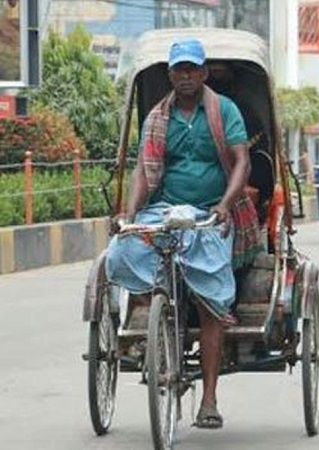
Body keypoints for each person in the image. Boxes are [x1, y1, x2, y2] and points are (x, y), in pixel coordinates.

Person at [105, 38, 262, 429]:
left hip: (212, 213)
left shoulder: (223, 111)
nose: (186, 75)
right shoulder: (158, 117)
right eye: (179, 69)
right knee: (123, 247)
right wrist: (130, 212)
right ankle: (156, 318)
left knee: (210, 305)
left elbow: (242, 161)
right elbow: (144, 169)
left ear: (204, 73)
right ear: (170, 74)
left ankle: (208, 400)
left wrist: (225, 205)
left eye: (192, 68)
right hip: (167, 210)